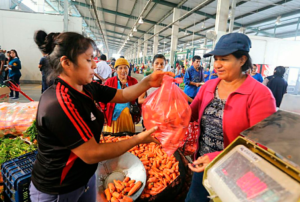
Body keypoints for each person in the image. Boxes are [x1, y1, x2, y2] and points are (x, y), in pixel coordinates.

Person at [30, 31, 173, 201]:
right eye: (89, 59)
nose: (95, 66)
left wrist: (147, 82)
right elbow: (92, 153)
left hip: (85, 178)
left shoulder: (87, 88)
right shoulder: (58, 103)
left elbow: (124, 94)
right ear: (67, 63)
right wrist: (139, 138)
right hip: (59, 189)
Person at [185, 33, 276, 202]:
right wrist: (171, 105)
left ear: (242, 60)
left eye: (224, 59)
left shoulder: (259, 95)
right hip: (202, 163)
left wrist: (216, 158)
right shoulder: (209, 86)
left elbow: (260, 146)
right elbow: (191, 114)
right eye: (216, 59)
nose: (217, 65)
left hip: (236, 171)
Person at [101, 58, 141, 135]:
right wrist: (103, 113)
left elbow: (138, 99)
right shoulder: (109, 82)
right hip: (112, 116)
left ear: (129, 69)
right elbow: (102, 98)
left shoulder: (133, 81)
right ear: (116, 70)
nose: (123, 71)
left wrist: (139, 114)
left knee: (128, 139)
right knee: (113, 139)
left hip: (128, 116)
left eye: (125, 67)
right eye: (120, 68)